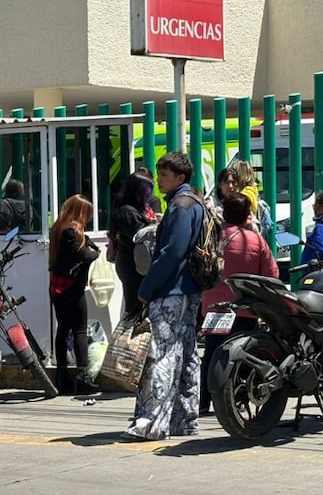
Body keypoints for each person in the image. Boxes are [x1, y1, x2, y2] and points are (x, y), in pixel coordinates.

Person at [123, 151, 203, 442]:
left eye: (164, 175)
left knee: (162, 358)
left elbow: (172, 254)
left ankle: (151, 423)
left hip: (171, 291)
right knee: (186, 356)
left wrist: (145, 290)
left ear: (180, 178)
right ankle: (183, 420)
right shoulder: (193, 201)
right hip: (188, 290)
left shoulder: (180, 207)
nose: (158, 180)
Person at [198, 193, 278, 416]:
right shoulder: (255, 240)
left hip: (214, 308)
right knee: (244, 355)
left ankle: (203, 401)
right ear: (247, 216)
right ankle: (239, 399)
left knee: (212, 352)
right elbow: (272, 273)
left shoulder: (211, 237)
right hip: (245, 308)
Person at [48, 194, 100, 395]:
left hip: (57, 286)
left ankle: (62, 376)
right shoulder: (71, 231)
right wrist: (92, 248)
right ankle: (83, 377)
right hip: (71, 287)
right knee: (79, 329)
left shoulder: (57, 227)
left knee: (63, 329)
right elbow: (88, 254)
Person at [108, 172, 158, 317]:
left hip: (137, 262)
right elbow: (140, 235)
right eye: (146, 191)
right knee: (135, 306)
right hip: (131, 263)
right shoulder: (127, 212)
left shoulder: (136, 209)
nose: (149, 195)